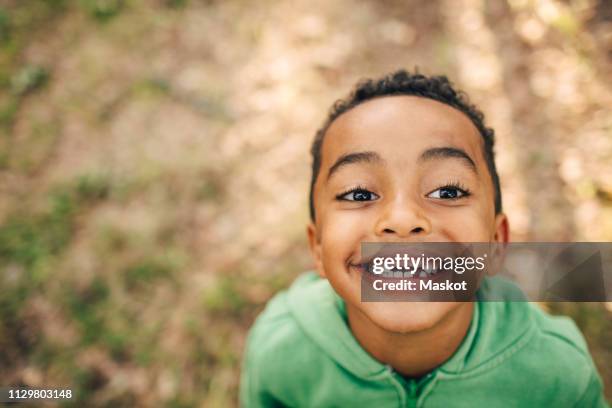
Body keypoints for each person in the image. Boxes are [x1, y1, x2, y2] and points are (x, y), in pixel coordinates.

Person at [239, 70, 608, 407]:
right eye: (358, 194)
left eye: (447, 191)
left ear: (496, 244)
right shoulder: (280, 350)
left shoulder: (557, 374)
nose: (402, 220)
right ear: (317, 247)